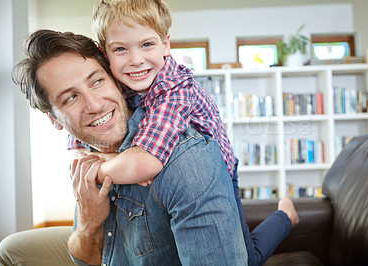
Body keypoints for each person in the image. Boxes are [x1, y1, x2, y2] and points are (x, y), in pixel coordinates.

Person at [67, 0, 298, 264]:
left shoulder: (175, 89)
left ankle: (285, 216)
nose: (136, 60)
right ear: (105, 53)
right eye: (120, 49)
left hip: (217, 174)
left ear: (165, 44)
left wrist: (95, 169)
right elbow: (79, 142)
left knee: (248, 259)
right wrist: (102, 159)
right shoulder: (117, 83)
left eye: (147, 44)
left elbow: (145, 162)